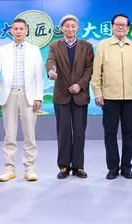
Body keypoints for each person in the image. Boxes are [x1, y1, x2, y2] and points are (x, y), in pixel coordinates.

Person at [91, 13, 132, 180]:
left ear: (128, 28)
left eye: (124, 25)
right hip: (109, 97)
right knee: (110, 133)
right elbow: (96, 72)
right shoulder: (103, 46)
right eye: (117, 24)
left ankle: (126, 167)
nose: (121, 27)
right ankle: (113, 168)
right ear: (112, 26)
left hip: (131, 97)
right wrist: (98, 93)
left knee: (129, 133)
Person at [0, 18, 44, 182]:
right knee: (10, 134)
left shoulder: (34, 50)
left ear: (26, 31)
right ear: (11, 31)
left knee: (30, 134)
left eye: (21, 28)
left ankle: (30, 168)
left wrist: (38, 97)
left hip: (28, 95)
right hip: (9, 95)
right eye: (16, 28)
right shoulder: (3, 49)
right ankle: (9, 169)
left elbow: (39, 76)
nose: (18, 31)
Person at [46, 14, 94, 179]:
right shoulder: (55, 45)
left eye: (73, 26)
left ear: (77, 28)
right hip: (62, 95)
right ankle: (64, 166)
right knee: (64, 132)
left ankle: (79, 166)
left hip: (80, 95)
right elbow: (50, 61)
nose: (70, 29)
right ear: (61, 28)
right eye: (67, 26)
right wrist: (51, 71)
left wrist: (79, 85)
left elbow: (90, 69)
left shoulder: (86, 46)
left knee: (79, 132)